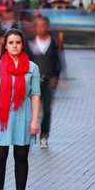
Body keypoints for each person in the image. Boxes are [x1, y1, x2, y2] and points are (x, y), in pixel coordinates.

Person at [0, 29, 41, 190]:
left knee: (21, 158)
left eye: (18, 42)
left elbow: (35, 95)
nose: (14, 46)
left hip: (23, 117)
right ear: (5, 45)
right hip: (2, 118)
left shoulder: (32, 68)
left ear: (23, 45)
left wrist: (35, 120)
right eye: (11, 43)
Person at [26, 16, 64, 149]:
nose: (40, 28)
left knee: (46, 110)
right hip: (33, 82)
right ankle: (29, 136)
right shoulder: (29, 42)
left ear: (47, 26)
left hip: (48, 81)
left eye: (42, 25)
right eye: (37, 25)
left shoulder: (53, 41)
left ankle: (44, 136)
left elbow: (59, 61)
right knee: (30, 110)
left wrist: (56, 77)